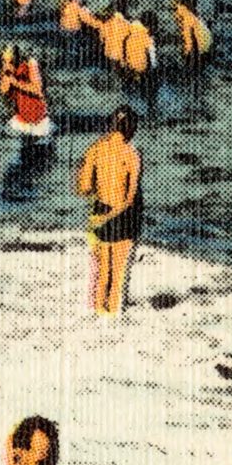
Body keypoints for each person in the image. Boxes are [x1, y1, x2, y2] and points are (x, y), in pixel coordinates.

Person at [77, 107, 144, 314]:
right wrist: (112, 214)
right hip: (124, 217)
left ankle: (99, 319)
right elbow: (130, 198)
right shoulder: (132, 154)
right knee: (118, 277)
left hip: (99, 213)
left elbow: (83, 187)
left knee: (103, 273)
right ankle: (114, 323)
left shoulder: (95, 149)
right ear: (131, 128)